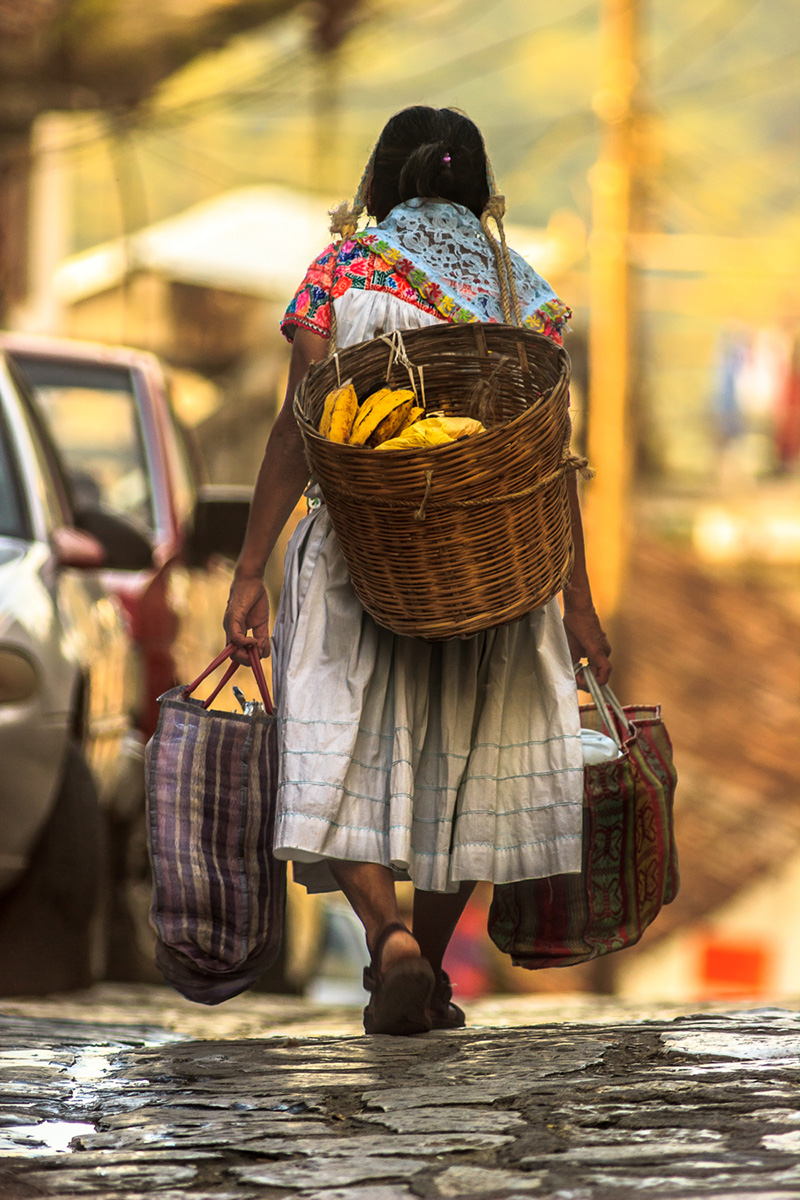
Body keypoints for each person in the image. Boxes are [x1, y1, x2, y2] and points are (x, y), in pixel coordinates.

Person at [224, 105, 611, 1036]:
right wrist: (580, 606)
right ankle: (428, 966)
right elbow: (551, 464)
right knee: (467, 769)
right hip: (494, 566)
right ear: (479, 190)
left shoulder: (340, 272)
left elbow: (298, 429)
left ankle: (388, 941)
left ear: (384, 181)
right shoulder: (531, 301)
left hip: (366, 552)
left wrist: (249, 569)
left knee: (344, 747)